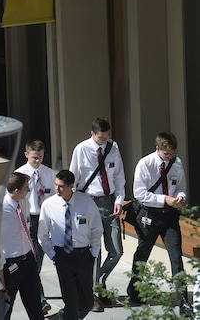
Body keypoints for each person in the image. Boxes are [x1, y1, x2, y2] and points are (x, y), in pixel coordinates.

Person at [127, 132, 188, 311]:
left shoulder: (176, 163)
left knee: (176, 257)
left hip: (169, 216)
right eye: (166, 154)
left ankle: (183, 301)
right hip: (150, 214)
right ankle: (135, 289)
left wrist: (180, 198)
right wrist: (164, 199)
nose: (170, 157)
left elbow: (181, 187)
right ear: (158, 149)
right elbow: (139, 194)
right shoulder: (145, 164)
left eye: (172, 153)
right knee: (142, 254)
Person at [69, 117, 125, 311]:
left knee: (116, 250)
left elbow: (118, 176)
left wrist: (119, 200)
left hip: (109, 202)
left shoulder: (113, 148)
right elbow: (73, 177)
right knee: (95, 251)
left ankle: (97, 283)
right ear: (92, 134)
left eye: (107, 137)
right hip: (88, 202)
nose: (104, 140)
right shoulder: (81, 149)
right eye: (101, 137)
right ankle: (91, 295)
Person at [39, 169, 103, 320]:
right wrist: (53, 255)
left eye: (61, 186)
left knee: (87, 302)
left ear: (71, 186)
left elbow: (96, 229)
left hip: (83, 255)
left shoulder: (86, 202)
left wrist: (93, 253)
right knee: (71, 300)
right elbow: (42, 234)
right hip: (62, 256)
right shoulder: (49, 205)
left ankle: (64, 316)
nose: (57, 189)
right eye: (55, 185)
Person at [15, 140, 57, 314]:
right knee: (35, 261)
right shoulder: (19, 175)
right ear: (26, 155)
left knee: (57, 258)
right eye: (34, 157)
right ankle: (40, 301)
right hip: (30, 220)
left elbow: (56, 198)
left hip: (47, 219)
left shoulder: (49, 174)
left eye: (40, 156)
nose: (38, 160)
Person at [1, 172, 44, 320]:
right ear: (17, 191)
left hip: (28, 260)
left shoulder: (24, 202)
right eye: (26, 188)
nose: (29, 190)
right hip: (10, 264)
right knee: (5, 307)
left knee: (35, 307)